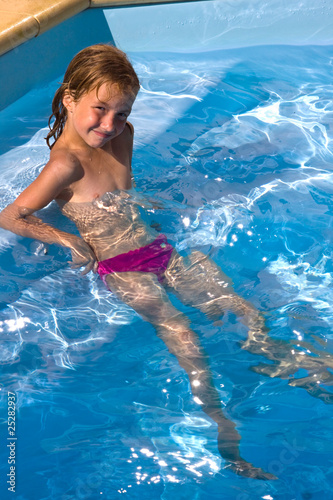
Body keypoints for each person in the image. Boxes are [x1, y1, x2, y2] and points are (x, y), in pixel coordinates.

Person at [0, 43, 305, 481]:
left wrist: (149, 202)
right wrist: (65, 238)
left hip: (158, 248)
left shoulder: (124, 135)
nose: (109, 125)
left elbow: (122, 190)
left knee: (239, 309)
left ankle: (294, 364)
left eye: (120, 113)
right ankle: (223, 426)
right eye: (99, 109)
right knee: (181, 332)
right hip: (122, 268)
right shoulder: (64, 165)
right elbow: (12, 214)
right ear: (70, 99)